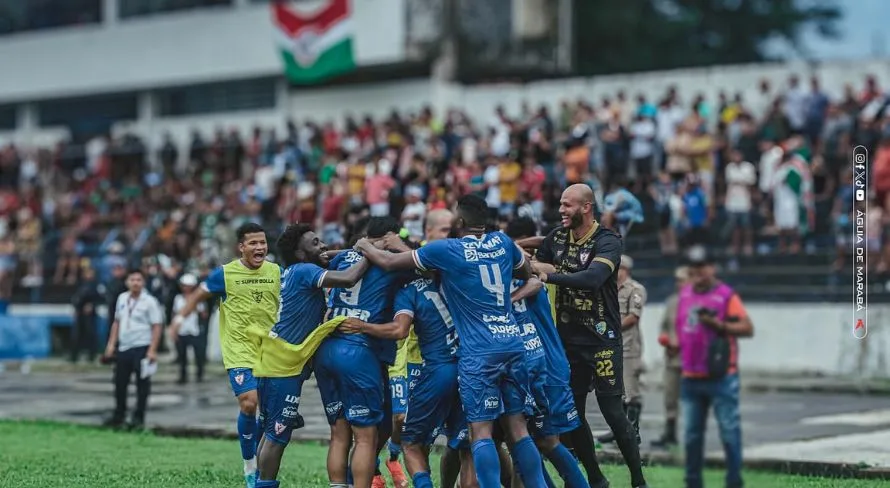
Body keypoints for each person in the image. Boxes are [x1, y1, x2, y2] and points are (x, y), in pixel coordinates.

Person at [354, 194, 550, 488]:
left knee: (480, 433)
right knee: (516, 429)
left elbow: (389, 262)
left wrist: (364, 244)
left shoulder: (446, 251)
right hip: (511, 342)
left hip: (476, 352)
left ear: (459, 223)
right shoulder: (503, 242)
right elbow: (526, 271)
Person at [534, 184, 648, 488]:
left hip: (602, 341)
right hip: (568, 342)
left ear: (586, 207)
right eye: (560, 204)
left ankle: (638, 481)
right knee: (574, 414)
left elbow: (594, 278)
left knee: (613, 413)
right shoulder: (558, 236)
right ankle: (596, 479)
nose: (561, 211)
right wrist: (516, 247)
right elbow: (538, 250)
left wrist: (547, 274)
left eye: (568, 205)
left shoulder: (607, 240)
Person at [253, 223, 370, 488]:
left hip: (274, 361)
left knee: (272, 432)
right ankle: (264, 484)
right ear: (301, 253)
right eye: (316, 243)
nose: (324, 246)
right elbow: (349, 278)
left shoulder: (295, 270)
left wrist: (352, 249)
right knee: (277, 435)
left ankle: (259, 482)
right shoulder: (306, 271)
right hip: (282, 366)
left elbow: (331, 259)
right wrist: (369, 252)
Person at [170, 223, 281, 488]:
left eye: (262, 243)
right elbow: (198, 295)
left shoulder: (277, 272)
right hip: (238, 350)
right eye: (253, 243)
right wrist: (177, 320)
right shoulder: (225, 274)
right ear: (240, 247)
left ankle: (262, 461)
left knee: (267, 414)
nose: (259, 248)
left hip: (270, 351)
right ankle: (249, 465)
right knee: (248, 402)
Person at [315, 217, 415, 488]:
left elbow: (328, 257)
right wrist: (397, 245)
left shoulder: (345, 258)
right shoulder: (392, 265)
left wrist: (363, 246)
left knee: (338, 433)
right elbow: (426, 266)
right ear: (389, 236)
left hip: (326, 348)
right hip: (358, 352)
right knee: (365, 438)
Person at [506, 217, 590, 488]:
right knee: (524, 439)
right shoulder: (512, 276)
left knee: (545, 440)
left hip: (547, 366)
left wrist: (514, 246)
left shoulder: (533, 275)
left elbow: (542, 258)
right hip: (525, 366)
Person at [677, 246, 754, 488]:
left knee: (729, 432)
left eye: (702, 267)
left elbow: (747, 328)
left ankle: (734, 481)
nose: (698, 271)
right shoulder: (685, 294)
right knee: (691, 437)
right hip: (691, 376)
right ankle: (693, 483)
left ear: (712, 268)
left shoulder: (726, 295)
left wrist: (718, 325)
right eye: (694, 267)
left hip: (721, 376)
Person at [101, 268, 164, 430]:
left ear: (143, 283)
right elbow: (117, 322)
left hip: (142, 346)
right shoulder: (122, 298)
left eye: (139, 280)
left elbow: (157, 326)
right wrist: (110, 345)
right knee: (119, 383)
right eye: (132, 280)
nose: (135, 283)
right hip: (124, 347)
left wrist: (152, 350)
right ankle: (119, 415)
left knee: (142, 385)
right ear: (127, 282)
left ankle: (138, 417)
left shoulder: (150, 301)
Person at [599, 255, 648, 446]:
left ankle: (632, 432)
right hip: (611, 347)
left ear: (625, 269)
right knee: (617, 391)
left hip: (629, 347)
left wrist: (613, 327)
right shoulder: (608, 288)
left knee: (631, 392)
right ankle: (618, 430)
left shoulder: (635, 290)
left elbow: (633, 317)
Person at [651, 266, 688, 449]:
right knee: (670, 397)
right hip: (672, 358)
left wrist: (680, 342)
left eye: (683, 280)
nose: (679, 284)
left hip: (691, 359)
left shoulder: (698, 303)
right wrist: (666, 339)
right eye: (678, 280)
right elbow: (665, 326)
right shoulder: (672, 302)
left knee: (692, 399)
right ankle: (670, 433)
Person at [169, 274, 207, 384]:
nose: (186, 288)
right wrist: (174, 328)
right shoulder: (178, 298)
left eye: (189, 285)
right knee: (182, 356)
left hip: (195, 330)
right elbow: (174, 313)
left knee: (198, 355)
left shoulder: (199, 298)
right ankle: (183, 376)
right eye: (184, 285)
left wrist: (194, 306)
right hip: (182, 330)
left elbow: (204, 314)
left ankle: (199, 375)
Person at [70, 263, 102, 364]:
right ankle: (74, 356)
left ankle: (91, 355)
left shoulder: (96, 285)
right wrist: (75, 308)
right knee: (77, 334)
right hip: (80, 312)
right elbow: (75, 297)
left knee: (91, 334)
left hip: (90, 314)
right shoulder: (80, 284)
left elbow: (100, 298)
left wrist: (92, 305)